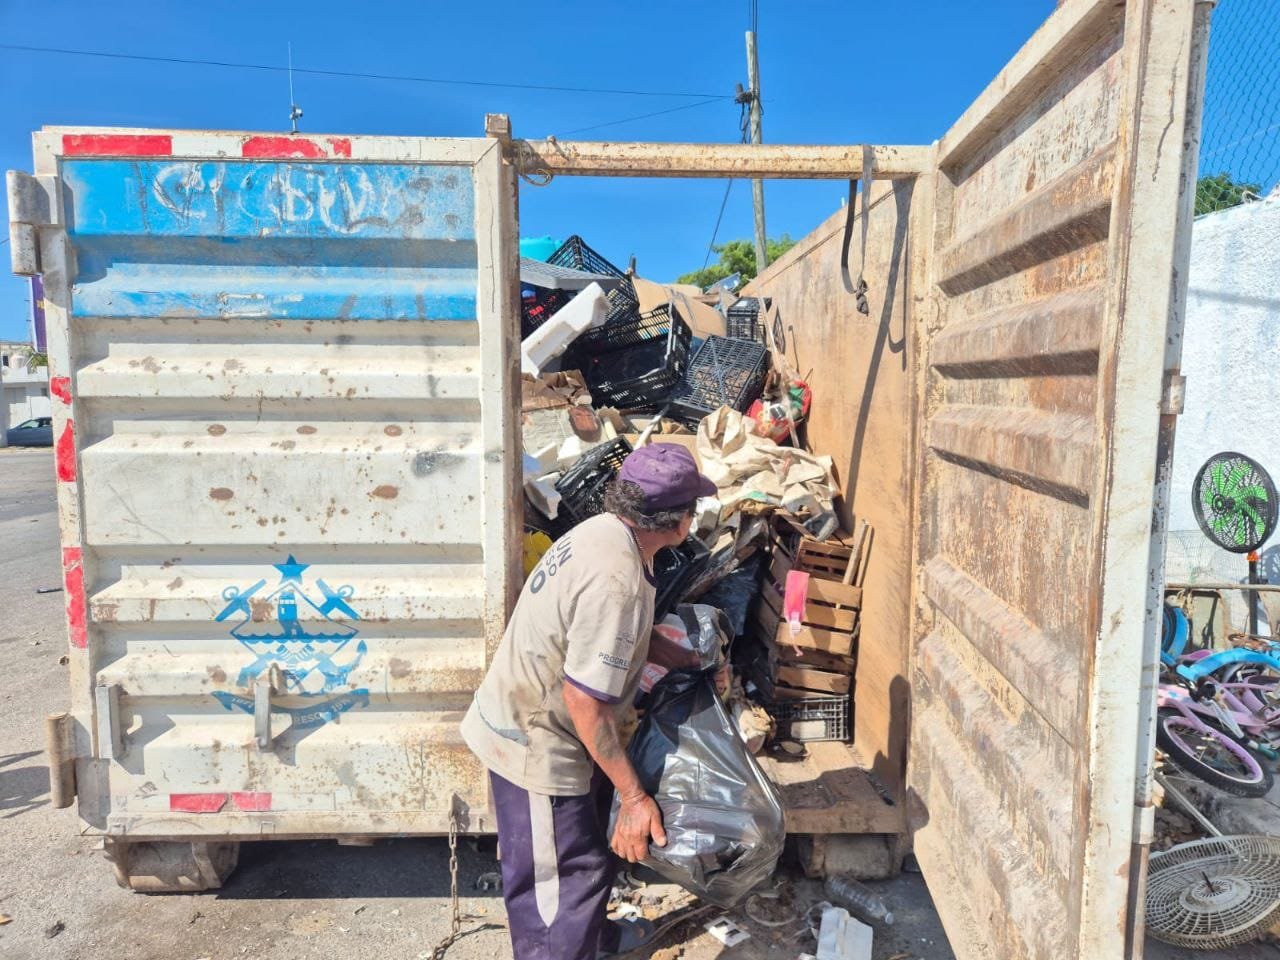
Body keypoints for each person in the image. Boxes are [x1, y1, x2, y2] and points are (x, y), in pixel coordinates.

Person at [461, 443, 717, 960]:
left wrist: (681, 658)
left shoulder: (606, 533)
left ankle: (594, 942)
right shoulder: (616, 579)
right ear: (680, 522)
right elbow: (585, 703)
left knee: (587, 857)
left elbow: (607, 634)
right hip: (536, 742)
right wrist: (636, 798)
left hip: (551, 722)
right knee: (560, 881)